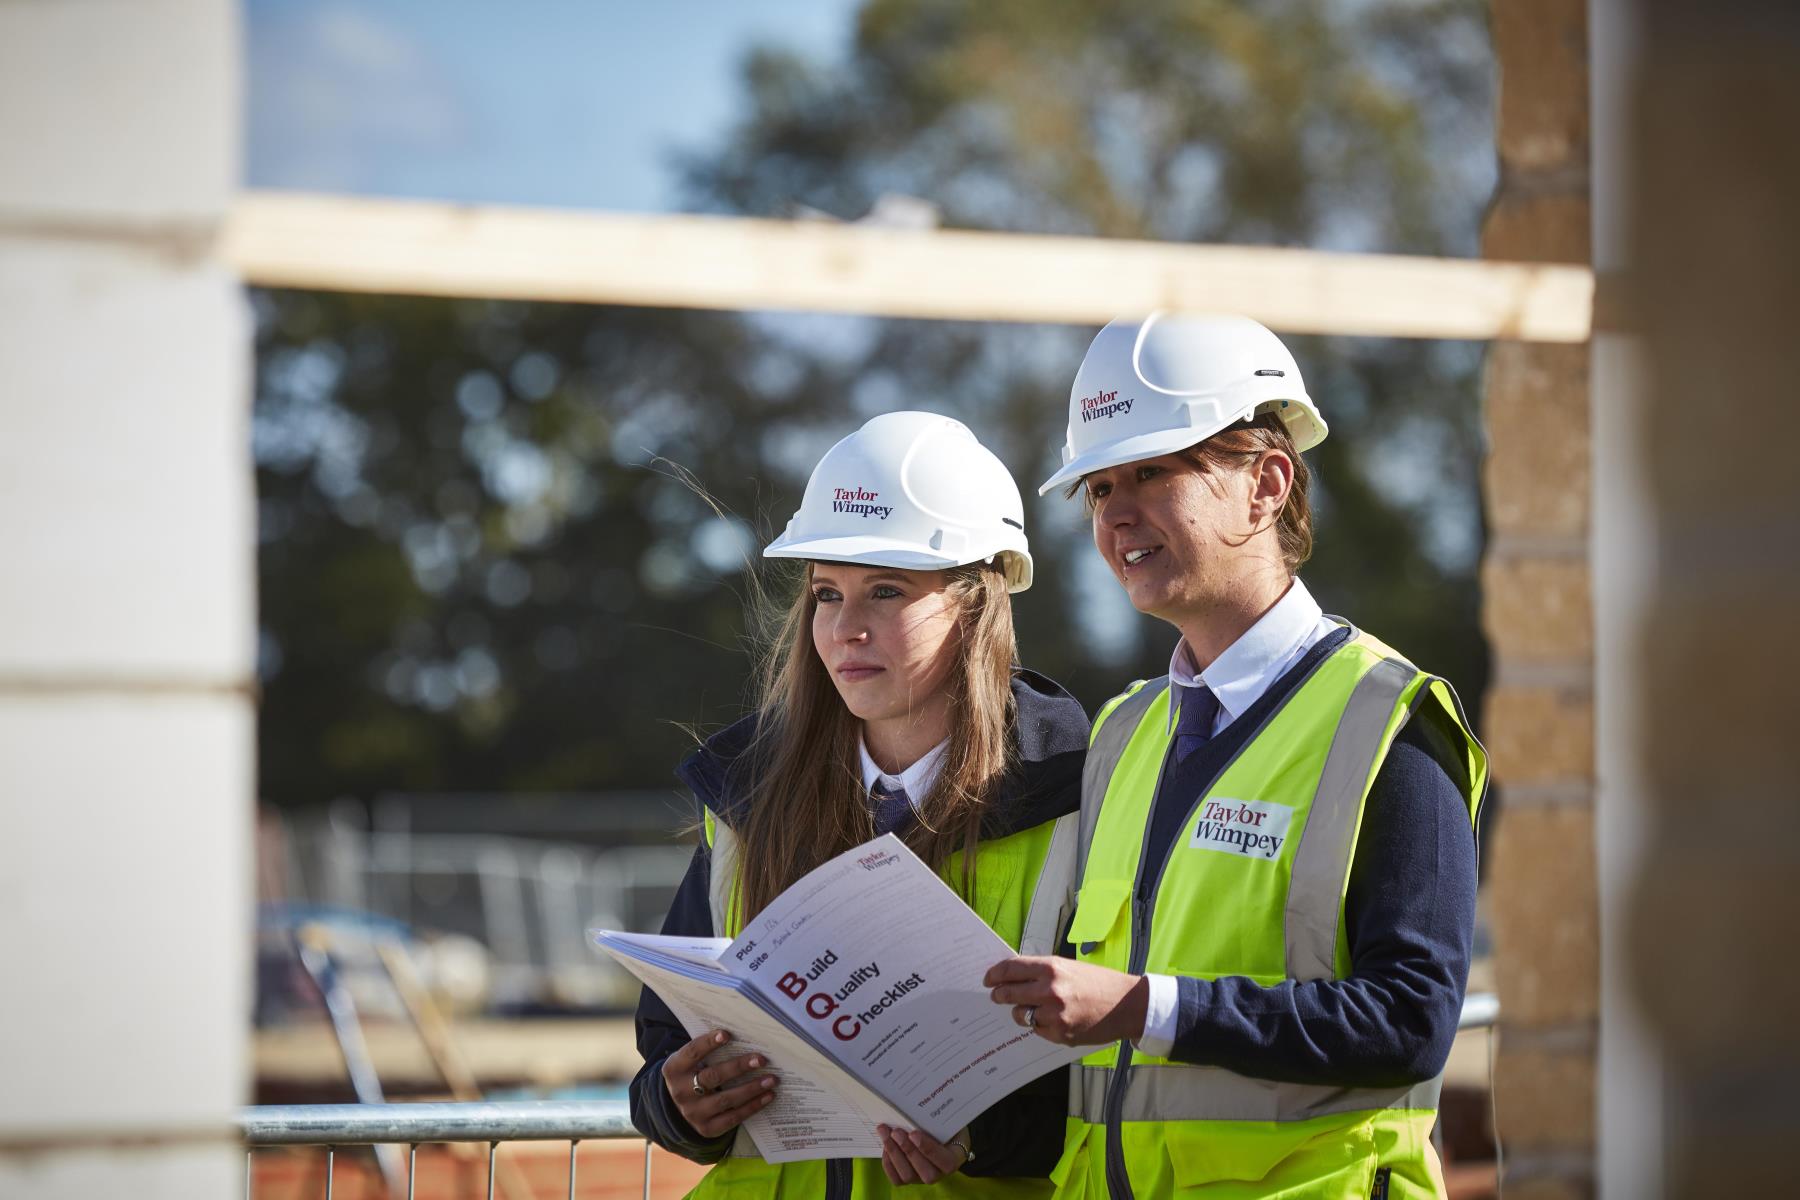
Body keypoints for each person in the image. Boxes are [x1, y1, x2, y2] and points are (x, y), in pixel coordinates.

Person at [983, 313, 1488, 1199]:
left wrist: (1146, 1008)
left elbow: (1412, 1019)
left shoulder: (1389, 722)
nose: (1117, 514)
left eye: (1152, 472)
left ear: (1266, 484)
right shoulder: (1121, 735)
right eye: (1099, 488)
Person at [629, 411, 1091, 1198]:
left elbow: (1109, 1085)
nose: (846, 629)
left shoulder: (1080, 800)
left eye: (886, 591)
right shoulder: (746, 798)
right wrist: (680, 1108)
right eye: (826, 594)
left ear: (976, 606)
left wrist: (976, 1136)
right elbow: (662, 1058)